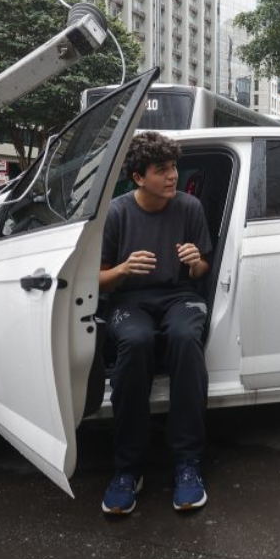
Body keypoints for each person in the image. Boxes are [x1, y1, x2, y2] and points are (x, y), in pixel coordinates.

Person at [98, 131, 213, 515]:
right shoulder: (116, 212)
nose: (172, 176)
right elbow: (96, 278)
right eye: (161, 169)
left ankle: (187, 464)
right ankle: (128, 469)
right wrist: (123, 269)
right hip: (130, 300)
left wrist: (195, 260)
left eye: (173, 167)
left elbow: (202, 270)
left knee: (184, 336)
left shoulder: (190, 207)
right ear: (138, 177)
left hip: (181, 296)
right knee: (136, 341)